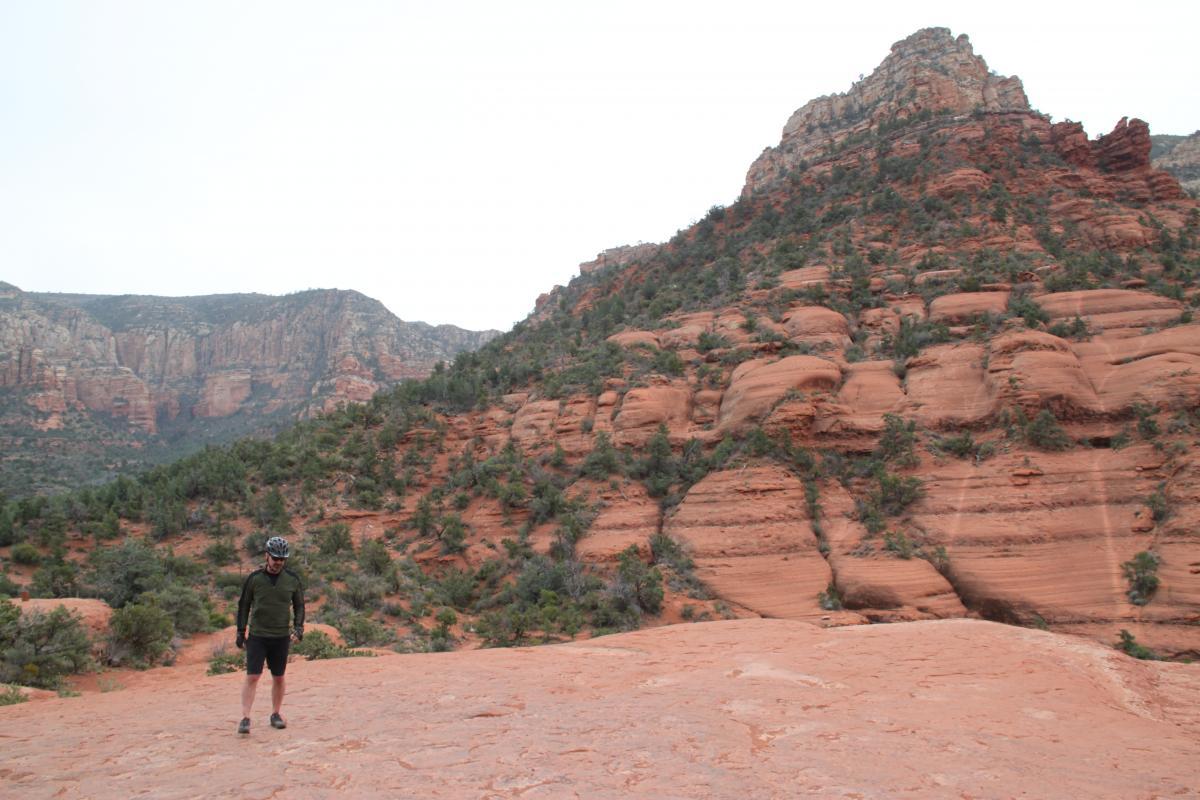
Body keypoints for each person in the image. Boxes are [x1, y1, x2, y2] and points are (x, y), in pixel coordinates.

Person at [235, 535, 305, 735]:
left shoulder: (292, 580)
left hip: (281, 635)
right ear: (267, 556)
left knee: (279, 676)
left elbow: (299, 605)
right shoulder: (255, 579)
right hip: (258, 635)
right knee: (253, 675)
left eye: (282, 559)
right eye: (275, 558)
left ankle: (276, 714)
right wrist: (241, 631)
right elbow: (244, 605)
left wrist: (298, 628)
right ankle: (245, 717)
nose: (278, 563)